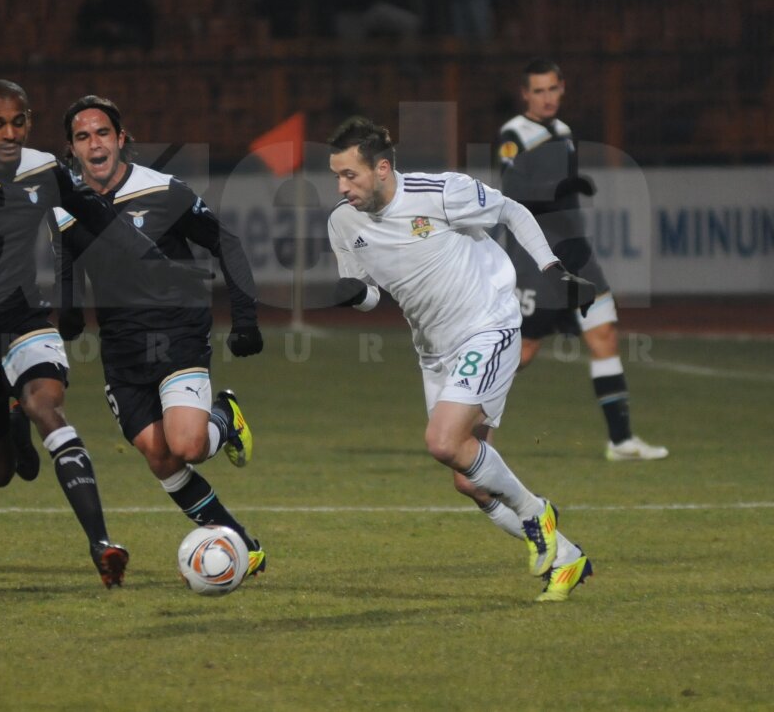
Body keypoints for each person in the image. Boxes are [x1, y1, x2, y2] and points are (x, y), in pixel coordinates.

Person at [0, 80, 203, 588]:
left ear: (29, 122)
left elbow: (96, 217)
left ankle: (101, 544)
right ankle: (8, 411)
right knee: (1, 472)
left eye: (18, 122)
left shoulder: (44, 168)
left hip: (20, 316)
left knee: (50, 408)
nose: (9, 132)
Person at [327, 118, 595, 602]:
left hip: (488, 326)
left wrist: (554, 269)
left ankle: (537, 512)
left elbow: (511, 211)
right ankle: (568, 558)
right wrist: (354, 296)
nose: (342, 187)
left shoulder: (441, 193)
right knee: (467, 481)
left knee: (443, 441)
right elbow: (368, 295)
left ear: (382, 168)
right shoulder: (342, 223)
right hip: (434, 352)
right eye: (337, 177)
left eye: (351, 175)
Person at [55, 95, 267, 578]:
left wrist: (245, 317)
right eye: (83, 136)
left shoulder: (164, 191)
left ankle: (224, 420)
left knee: (187, 445)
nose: (95, 143)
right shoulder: (64, 206)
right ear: (71, 148)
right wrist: (67, 315)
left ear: (121, 138)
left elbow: (224, 241)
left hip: (177, 331)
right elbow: (66, 264)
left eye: (103, 133)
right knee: (159, 455)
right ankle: (242, 545)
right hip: (121, 347)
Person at [498, 59, 668, 461]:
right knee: (522, 353)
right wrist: (562, 185)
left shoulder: (563, 132)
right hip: (537, 258)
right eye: (537, 91)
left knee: (604, 335)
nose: (546, 98)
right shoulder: (514, 133)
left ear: (562, 88)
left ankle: (622, 441)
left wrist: (566, 188)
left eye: (552, 89)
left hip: (577, 254)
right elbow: (513, 189)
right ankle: (458, 406)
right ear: (525, 94)